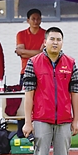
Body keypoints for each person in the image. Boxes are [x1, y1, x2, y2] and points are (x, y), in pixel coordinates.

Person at [22, 27, 78, 155]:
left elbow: (75, 93)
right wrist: (28, 122)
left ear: (62, 42)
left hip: (64, 119)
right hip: (42, 119)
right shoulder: (33, 63)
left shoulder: (71, 63)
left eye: (58, 40)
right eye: (52, 39)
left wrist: (75, 120)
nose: (55, 42)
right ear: (45, 42)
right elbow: (29, 95)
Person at [15, 8, 46, 138]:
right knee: (25, 102)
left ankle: (41, 132)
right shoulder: (21, 34)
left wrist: (26, 52)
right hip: (26, 72)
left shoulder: (45, 34)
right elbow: (19, 51)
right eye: (33, 18)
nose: (36, 21)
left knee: (41, 102)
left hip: (43, 72)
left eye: (38, 18)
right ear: (28, 20)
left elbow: (23, 52)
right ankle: (23, 132)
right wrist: (38, 53)